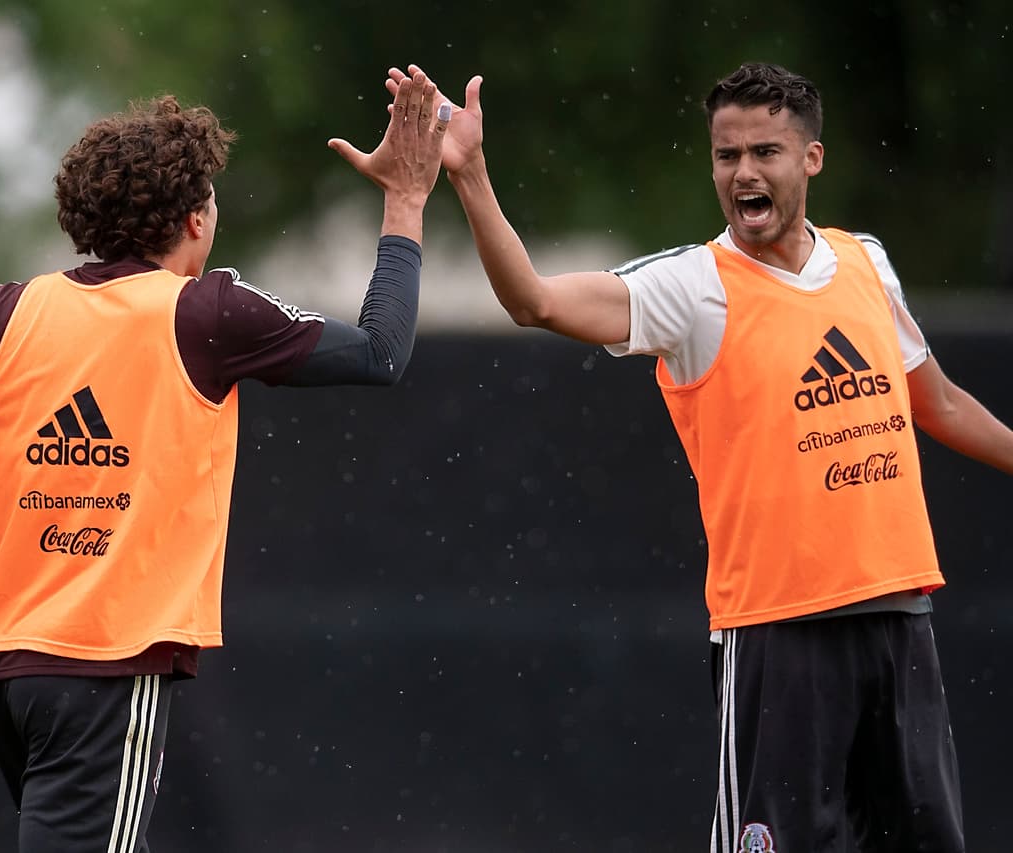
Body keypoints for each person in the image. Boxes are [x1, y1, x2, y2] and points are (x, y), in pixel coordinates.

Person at [0, 72, 450, 852]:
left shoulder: (0, 312)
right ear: (194, 220)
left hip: (5, 672)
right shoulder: (208, 310)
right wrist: (407, 198)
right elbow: (382, 352)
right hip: (102, 669)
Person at [392, 61, 1013, 851]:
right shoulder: (694, 287)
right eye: (727, 156)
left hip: (898, 615)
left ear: (811, 159)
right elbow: (534, 300)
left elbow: (943, 404)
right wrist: (472, 174)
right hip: (781, 635)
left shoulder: (863, 262)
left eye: (766, 152)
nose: (744, 172)